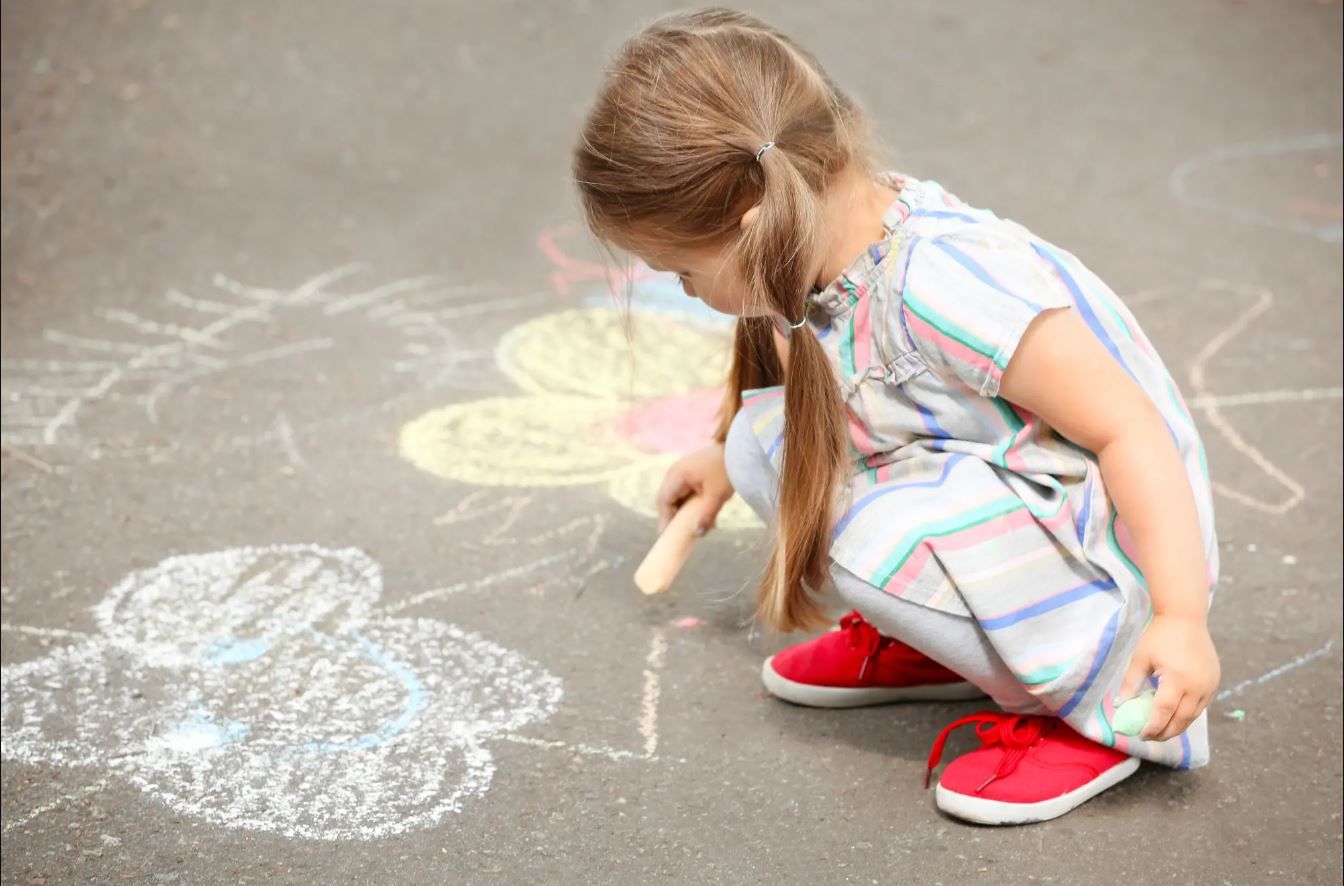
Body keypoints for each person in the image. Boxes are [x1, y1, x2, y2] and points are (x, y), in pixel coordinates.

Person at [572, 7, 1219, 825]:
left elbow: (1132, 429)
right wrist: (719, 460)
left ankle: (1100, 707)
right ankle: (959, 647)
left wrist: (1179, 618)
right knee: (759, 449)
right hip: (1011, 496)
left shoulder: (944, 287)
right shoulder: (819, 239)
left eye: (682, 273)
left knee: (867, 541)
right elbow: (813, 380)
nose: (685, 292)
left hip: (1109, 547)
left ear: (750, 228)